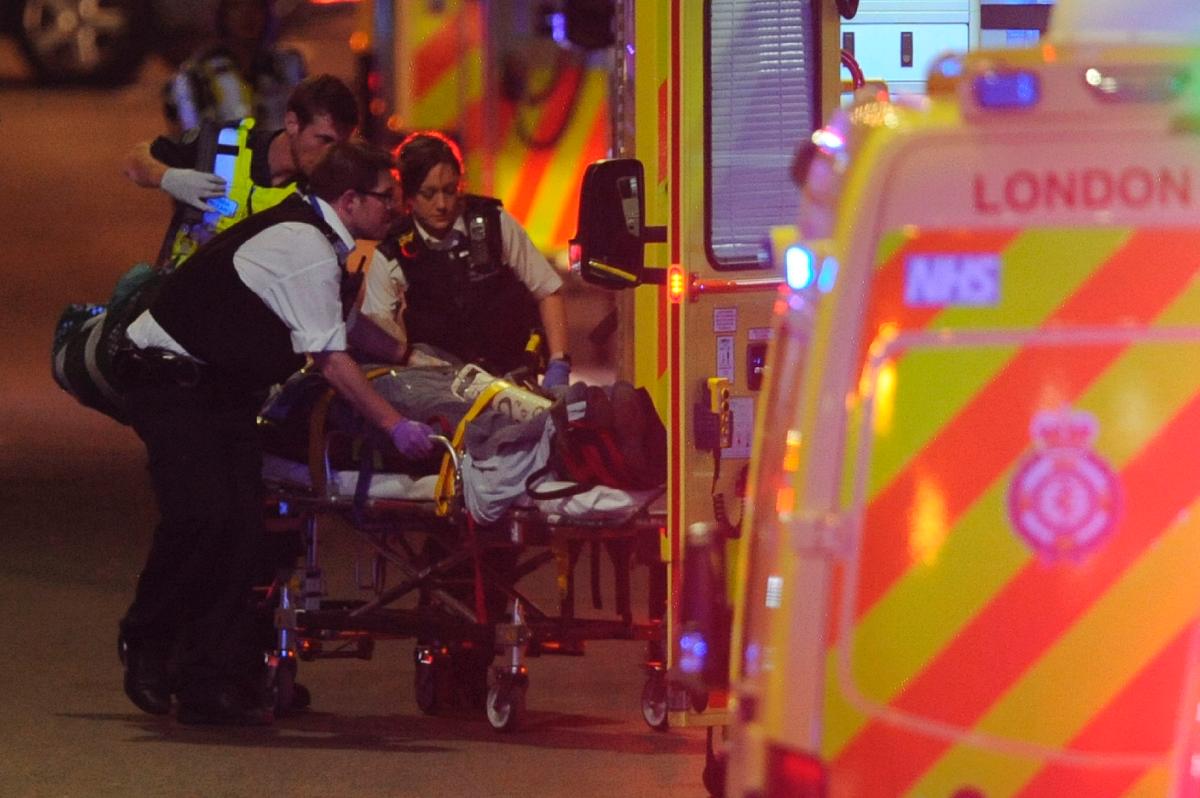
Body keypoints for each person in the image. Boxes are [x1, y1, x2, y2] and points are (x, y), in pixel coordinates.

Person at [116, 141, 436, 726]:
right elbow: (330, 358)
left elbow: (337, 325)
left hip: (222, 392)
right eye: (386, 197)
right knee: (201, 516)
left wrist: (408, 354)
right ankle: (147, 643)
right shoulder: (305, 245)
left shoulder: (328, 243)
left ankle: (204, 682)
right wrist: (394, 425)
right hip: (169, 380)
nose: (396, 207)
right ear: (349, 199)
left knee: (243, 532)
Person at [363, 131, 572, 388]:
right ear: (408, 196)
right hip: (444, 385)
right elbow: (376, 331)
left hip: (513, 376)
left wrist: (559, 363)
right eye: (429, 193)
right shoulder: (394, 250)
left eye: (450, 191)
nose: (442, 204)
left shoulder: (493, 223)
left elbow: (548, 290)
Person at [124, 73, 358, 269]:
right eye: (324, 140)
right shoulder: (221, 145)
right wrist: (168, 178)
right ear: (292, 123)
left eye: (340, 145)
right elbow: (134, 161)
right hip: (175, 301)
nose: (331, 153)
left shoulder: (326, 193)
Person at [162, 0, 306, 136]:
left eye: (256, 5)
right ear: (222, 13)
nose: (247, 14)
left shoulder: (287, 66)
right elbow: (185, 140)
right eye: (237, 5)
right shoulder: (194, 76)